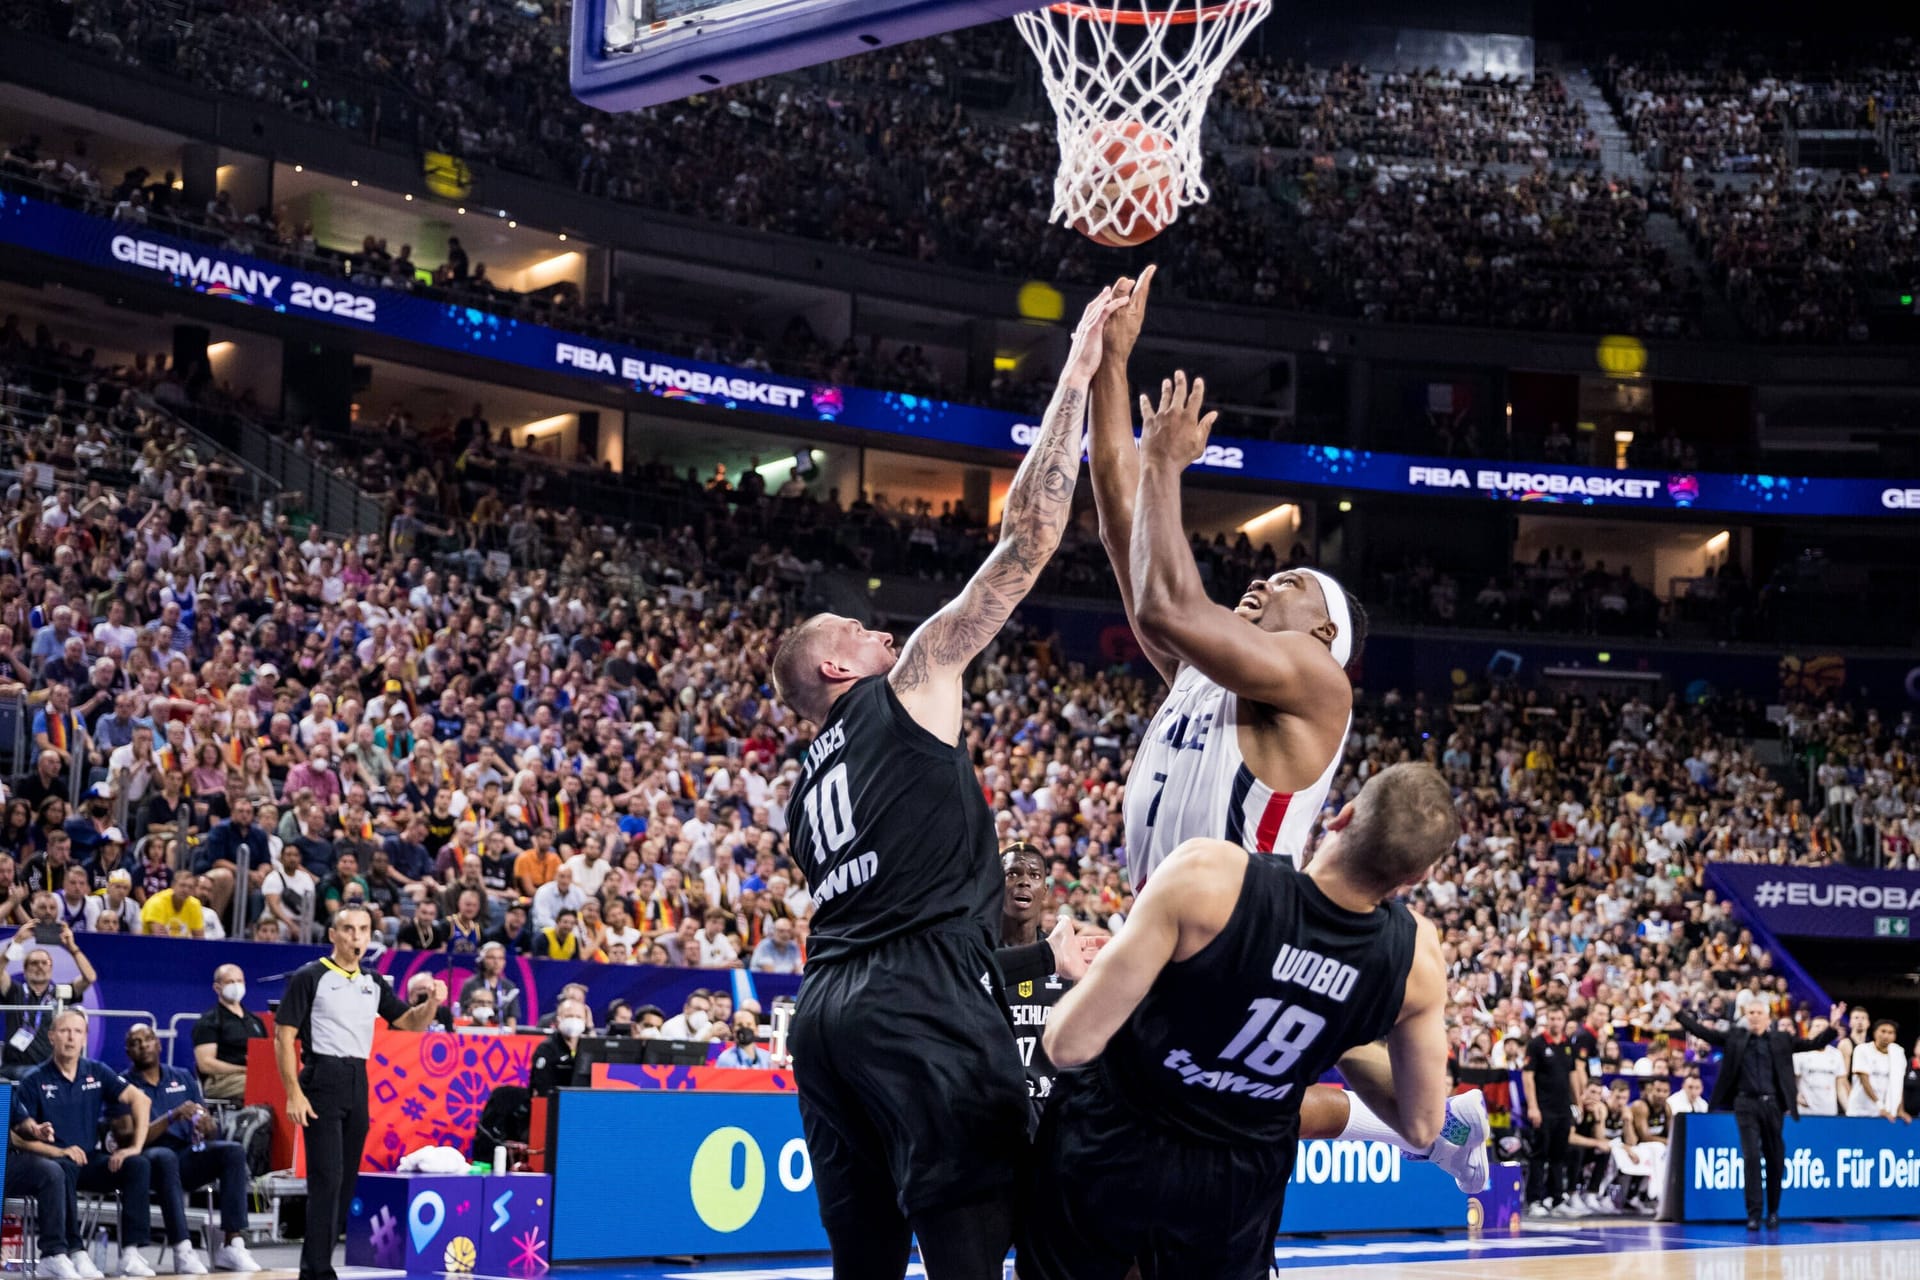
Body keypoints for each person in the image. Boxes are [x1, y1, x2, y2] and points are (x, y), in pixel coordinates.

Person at [1086, 279, 1485, 1191]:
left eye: (1295, 584)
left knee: (1174, 1106)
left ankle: (1409, 1133)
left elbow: (1163, 594)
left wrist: (1172, 463)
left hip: (1237, 932)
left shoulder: (1316, 683)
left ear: (1323, 636)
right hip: (1176, 920)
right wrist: (1112, 364)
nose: (1268, 581)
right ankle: (1438, 1126)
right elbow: (1120, 528)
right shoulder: (1206, 671)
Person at [769, 286, 1124, 1280]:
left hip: (826, 1013)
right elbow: (1024, 545)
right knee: (976, 1243)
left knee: (865, 1261)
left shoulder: (802, 786)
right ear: (840, 670)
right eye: (858, 632)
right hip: (913, 999)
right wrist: (1079, 371)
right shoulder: (909, 679)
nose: (883, 629)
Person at [1016, 763, 1457, 1280]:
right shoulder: (1417, 959)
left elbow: (1067, 1043)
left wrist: (1074, 973)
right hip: (1234, 1185)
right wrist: (1331, 1022)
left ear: (1343, 817)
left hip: (1116, 1138)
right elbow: (1423, 1124)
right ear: (1416, 877)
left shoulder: (1212, 876)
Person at [275, 905, 442, 1280]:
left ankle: (321, 1263)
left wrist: (432, 1003)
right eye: (348, 930)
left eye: (363, 930)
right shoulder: (311, 976)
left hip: (357, 1079)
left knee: (347, 1180)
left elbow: (409, 1024)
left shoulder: (373, 982)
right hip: (322, 1077)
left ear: (370, 936)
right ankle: (315, 1269)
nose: (355, 937)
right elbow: (283, 1036)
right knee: (326, 1177)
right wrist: (293, 1093)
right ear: (333, 935)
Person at [1668, 992, 1845, 1229]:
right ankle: (1753, 1214)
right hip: (1745, 1104)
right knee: (1751, 1157)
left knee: (1775, 1159)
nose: (1754, 1017)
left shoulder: (1781, 1039)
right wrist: (1678, 1013)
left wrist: (1832, 1028)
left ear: (1768, 1017)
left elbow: (1812, 1044)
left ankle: (1773, 1212)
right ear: (1745, 1016)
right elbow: (1704, 1033)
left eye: (1758, 1013)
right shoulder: (1735, 1037)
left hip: (1773, 1105)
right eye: (1750, 1013)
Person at [15, 1009, 162, 1277]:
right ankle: (75, 1251)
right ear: (51, 1037)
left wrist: (135, 1147)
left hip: (90, 1160)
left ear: (85, 1038)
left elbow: (142, 1100)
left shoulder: (96, 1071)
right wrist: (58, 1150)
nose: (70, 1038)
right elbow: (17, 1137)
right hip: (52, 1160)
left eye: (77, 1032)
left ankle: (130, 1252)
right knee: (63, 1165)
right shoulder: (34, 1080)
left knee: (137, 1165)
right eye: (64, 1031)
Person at [119, 1024, 263, 1272]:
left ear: (159, 1044)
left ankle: (232, 1243)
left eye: (149, 1039)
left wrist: (208, 1125)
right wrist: (172, 1117)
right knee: (165, 1157)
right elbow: (132, 1139)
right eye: (135, 1042)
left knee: (232, 1151)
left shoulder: (182, 1076)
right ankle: (183, 1248)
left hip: (186, 1155)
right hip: (147, 1159)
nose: (144, 1045)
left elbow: (206, 1123)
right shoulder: (123, 1084)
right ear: (128, 1051)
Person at [0, 926, 96, 1076]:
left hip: (48, 1068)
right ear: (24, 970)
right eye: (34, 963)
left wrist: (72, 947)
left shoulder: (61, 993)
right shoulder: (14, 990)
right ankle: (5, 1100)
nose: (40, 967)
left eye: (45, 963)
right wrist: (17, 941)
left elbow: (89, 978)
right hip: (12, 1068)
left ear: (51, 969)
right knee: (3, 1097)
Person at [1523, 1005, 1585, 1217]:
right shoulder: (1537, 1045)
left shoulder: (1568, 1045)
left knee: (1559, 1155)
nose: (1556, 1022)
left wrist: (1577, 1103)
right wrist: (1533, 1107)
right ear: (1547, 1020)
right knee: (1539, 1154)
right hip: (1543, 1108)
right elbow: (1528, 1076)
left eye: (1559, 1018)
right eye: (1552, 1018)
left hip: (1563, 1109)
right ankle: (1534, 1199)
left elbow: (1573, 1075)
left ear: (1564, 1020)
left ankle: (1556, 1198)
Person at [192, 964, 267, 1101]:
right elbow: (205, 1064)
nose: (236, 986)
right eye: (230, 982)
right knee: (266, 1085)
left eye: (239, 981)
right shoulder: (209, 1021)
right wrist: (242, 1069)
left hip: (254, 1075)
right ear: (217, 987)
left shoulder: (255, 1021)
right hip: (222, 1080)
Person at [1844, 1018, 1910, 1121]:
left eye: (1890, 1032)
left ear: (1895, 1036)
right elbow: (1864, 1080)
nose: (1886, 1035)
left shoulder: (1898, 1053)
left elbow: (1898, 1083)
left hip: (1886, 1114)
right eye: (1883, 1031)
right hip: (1861, 1111)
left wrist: (1900, 1109)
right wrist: (1880, 1106)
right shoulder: (1862, 1050)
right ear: (1875, 1033)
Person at [528, 997, 587, 1097]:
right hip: (555, 1103)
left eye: (578, 1017)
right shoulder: (546, 1049)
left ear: (585, 1021)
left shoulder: (589, 1048)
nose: (574, 1020)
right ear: (558, 1020)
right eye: (569, 1016)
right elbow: (542, 1087)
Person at [1793, 1015, 1847, 1117]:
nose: (1821, 1029)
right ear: (1809, 1030)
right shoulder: (1799, 1053)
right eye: (1817, 1026)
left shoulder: (1836, 1054)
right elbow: (1792, 1080)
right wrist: (1796, 1096)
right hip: (1805, 1112)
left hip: (1829, 1111)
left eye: (1824, 1027)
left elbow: (1840, 1086)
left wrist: (1848, 1110)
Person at [457, 942, 523, 1023]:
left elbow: (512, 1018)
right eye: (491, 958)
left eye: (500, 958)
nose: (496, 962)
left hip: (502, 1033)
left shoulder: (509, 986)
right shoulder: (470, 984)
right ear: (482, 960)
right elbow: (463, 1014)